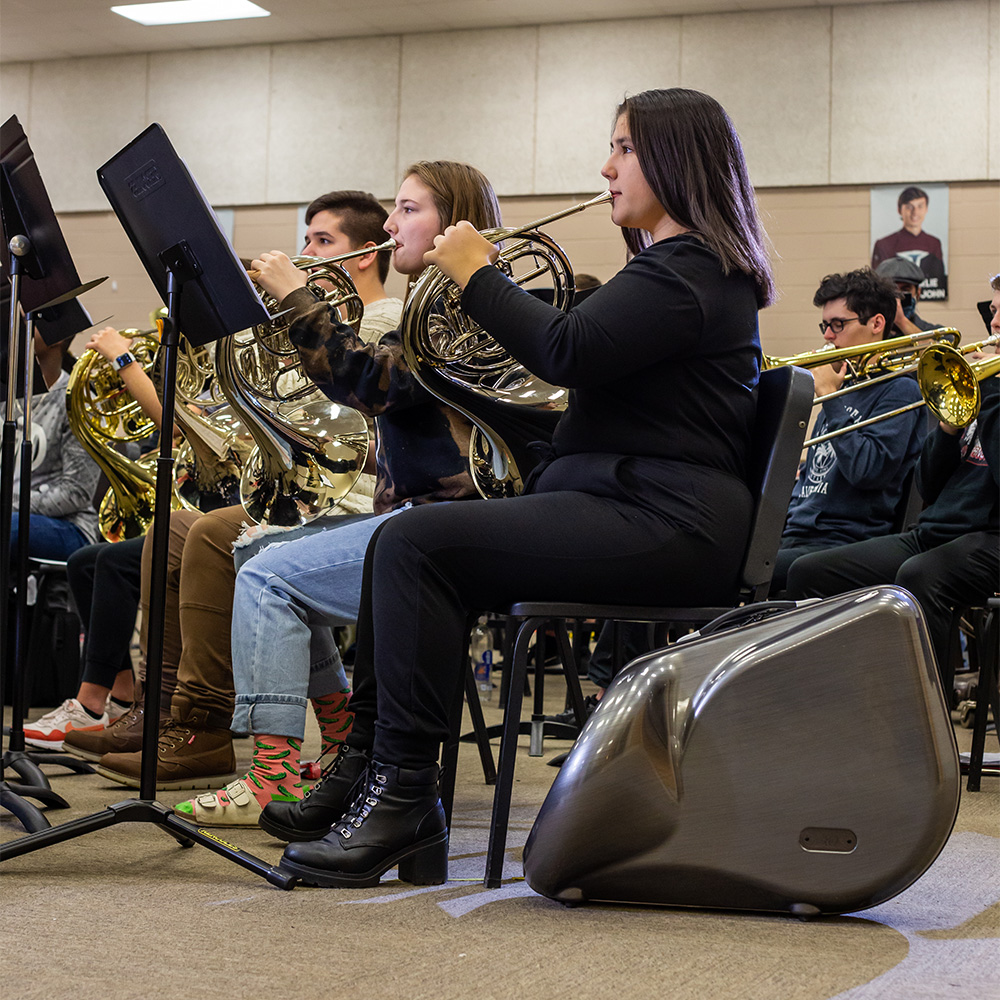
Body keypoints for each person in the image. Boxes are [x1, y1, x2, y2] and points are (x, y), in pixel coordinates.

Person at [273, 87, 776, 888]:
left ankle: (402, 798)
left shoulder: (694, 273)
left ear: (676, 161)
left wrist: (476, 274)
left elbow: (566, 351)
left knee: (413, 542)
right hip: (629, 504)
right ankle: (368, 773)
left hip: (666, 520)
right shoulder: (667, 271)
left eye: (623, 149)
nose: (604, 168)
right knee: (401, 545)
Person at [95, 175, 495, 811]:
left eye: (408, 210)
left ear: (458, 227)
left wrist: (296, 301)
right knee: (247, 552)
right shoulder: (416, 312)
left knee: (260, 566)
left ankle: (266, 764)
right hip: (396, 517)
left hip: (411, 520)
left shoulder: (417, 317)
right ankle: (328, 734)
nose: (392, 225)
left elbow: (366, 386)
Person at [63, 191, 399, 769]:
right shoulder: (313, 329)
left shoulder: (380, 318)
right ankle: (166, 713)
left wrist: (133, 368)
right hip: (300, 491)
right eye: (306, 238)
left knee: (219, 534)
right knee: (170, 531)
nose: (305, 252)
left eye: (323, 241)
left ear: (367, 254)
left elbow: (345, 418)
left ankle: (203, 724)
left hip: (353, 497)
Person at [786, 274, 1000, 694]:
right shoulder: (983, 386)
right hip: (936, 533)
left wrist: (989, 391)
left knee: (920, 576)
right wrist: (948, 427)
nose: (994, 322)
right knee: (806, 573)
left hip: (990, 537)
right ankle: (825, 702)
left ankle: (926, 728)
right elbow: (929, 486)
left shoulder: (991, 389)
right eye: (994, 311)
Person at [770, 268, 927, 594]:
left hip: (843, 541)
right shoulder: (843, 384)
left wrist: (828, 396)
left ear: (877, 324)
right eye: (825, 325)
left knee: (743, 573)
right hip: (797, 533)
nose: (828, 335)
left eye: (838, 324)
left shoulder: (900, 391)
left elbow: (866, 471)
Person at [871, 185, 946, 291]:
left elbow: (939, 278)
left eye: (920, 206)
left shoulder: (934, 243)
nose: (915, 212)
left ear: (926, 209)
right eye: (909, 207)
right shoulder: (884, 244)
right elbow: (877, 284)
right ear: (899, 210)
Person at [875, 257, 939, 335]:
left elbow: (940, 346)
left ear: (918, 293)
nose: (897, 298)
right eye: (891, 290)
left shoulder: (936, 333)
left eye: (905, 289)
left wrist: (901, 321)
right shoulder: (868, 334)